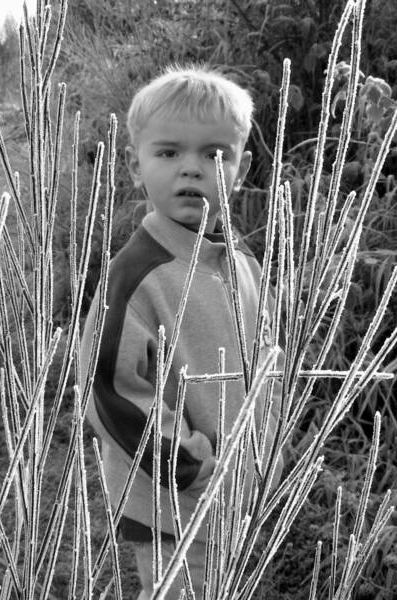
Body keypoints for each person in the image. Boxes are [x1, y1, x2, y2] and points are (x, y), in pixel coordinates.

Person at [80, 64, 284, 600]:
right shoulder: (137, 275)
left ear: (242, 167)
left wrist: (269, 447)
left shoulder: (243, 264)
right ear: (135, 166)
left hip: (239, 496)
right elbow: (111, 391)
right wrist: (191, 467)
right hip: (172, 507)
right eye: (169, 153)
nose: (192, 169)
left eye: (215, 154)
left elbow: (266, 360)